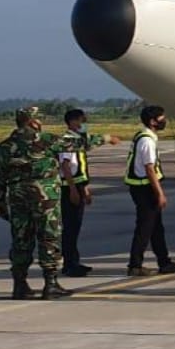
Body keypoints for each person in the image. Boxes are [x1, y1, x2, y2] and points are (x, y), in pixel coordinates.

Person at [0, 107, 115, 299]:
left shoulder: (5, 147)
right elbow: (79, 143)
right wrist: (105, 138)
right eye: (38, 119)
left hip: (18, 200)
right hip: (45, 199)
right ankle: (50, 284)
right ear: (32, 122)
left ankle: (20, 284)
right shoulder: (46, 140)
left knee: (21, 240)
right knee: (49, 238)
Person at [125, 105, 175, 276]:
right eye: (161, 118)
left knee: (156, 228)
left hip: (143, 187)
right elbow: (149, 169)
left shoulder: (144, 136)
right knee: (145, 228)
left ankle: (164, 261)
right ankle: (135, 265)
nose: (164, 121)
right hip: (145, 189)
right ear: (153, 121)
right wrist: (159, 193)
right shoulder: (147, 140)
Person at [57, 108, 114, 276]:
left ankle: (74, 261)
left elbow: (79, 169)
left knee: (75, 227)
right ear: (73, 121)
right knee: (70, 227)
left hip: (78, 186)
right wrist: (74, 190)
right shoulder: (67, 140)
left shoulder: (76, 140)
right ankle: (69, 264)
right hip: (69, 188)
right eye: (81, 121)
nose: (83, 124)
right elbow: (65, 167)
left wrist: (85, 189)